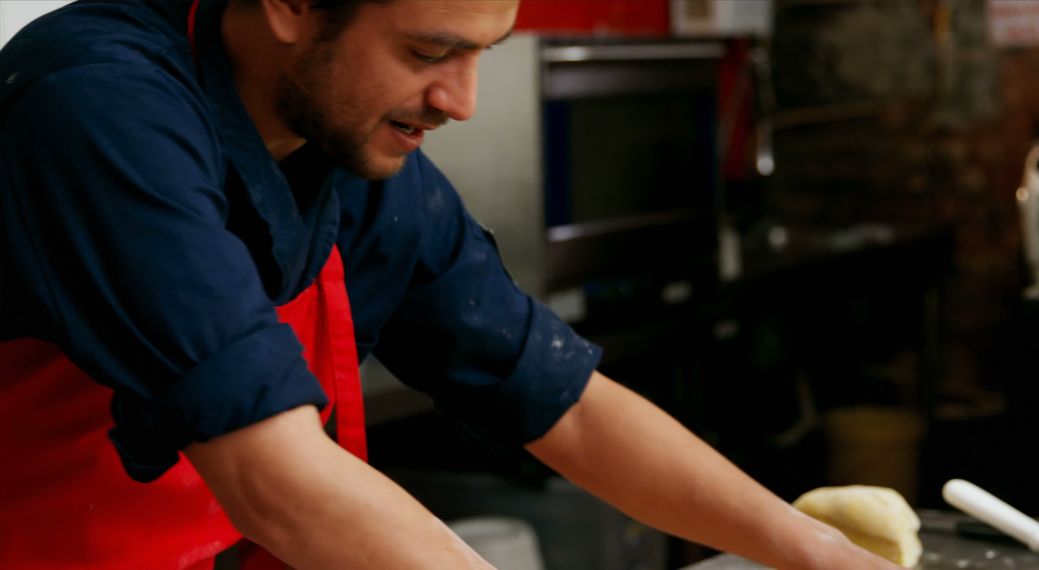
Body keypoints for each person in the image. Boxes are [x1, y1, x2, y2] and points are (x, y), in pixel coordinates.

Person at [0, 0, 903, 568]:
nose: (461, 100)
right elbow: (274, 476)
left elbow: (561, 399)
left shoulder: (347, 143)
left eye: (484, 53)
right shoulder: (98, 110)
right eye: (430, 52)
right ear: (291, 3)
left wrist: (809, 549)